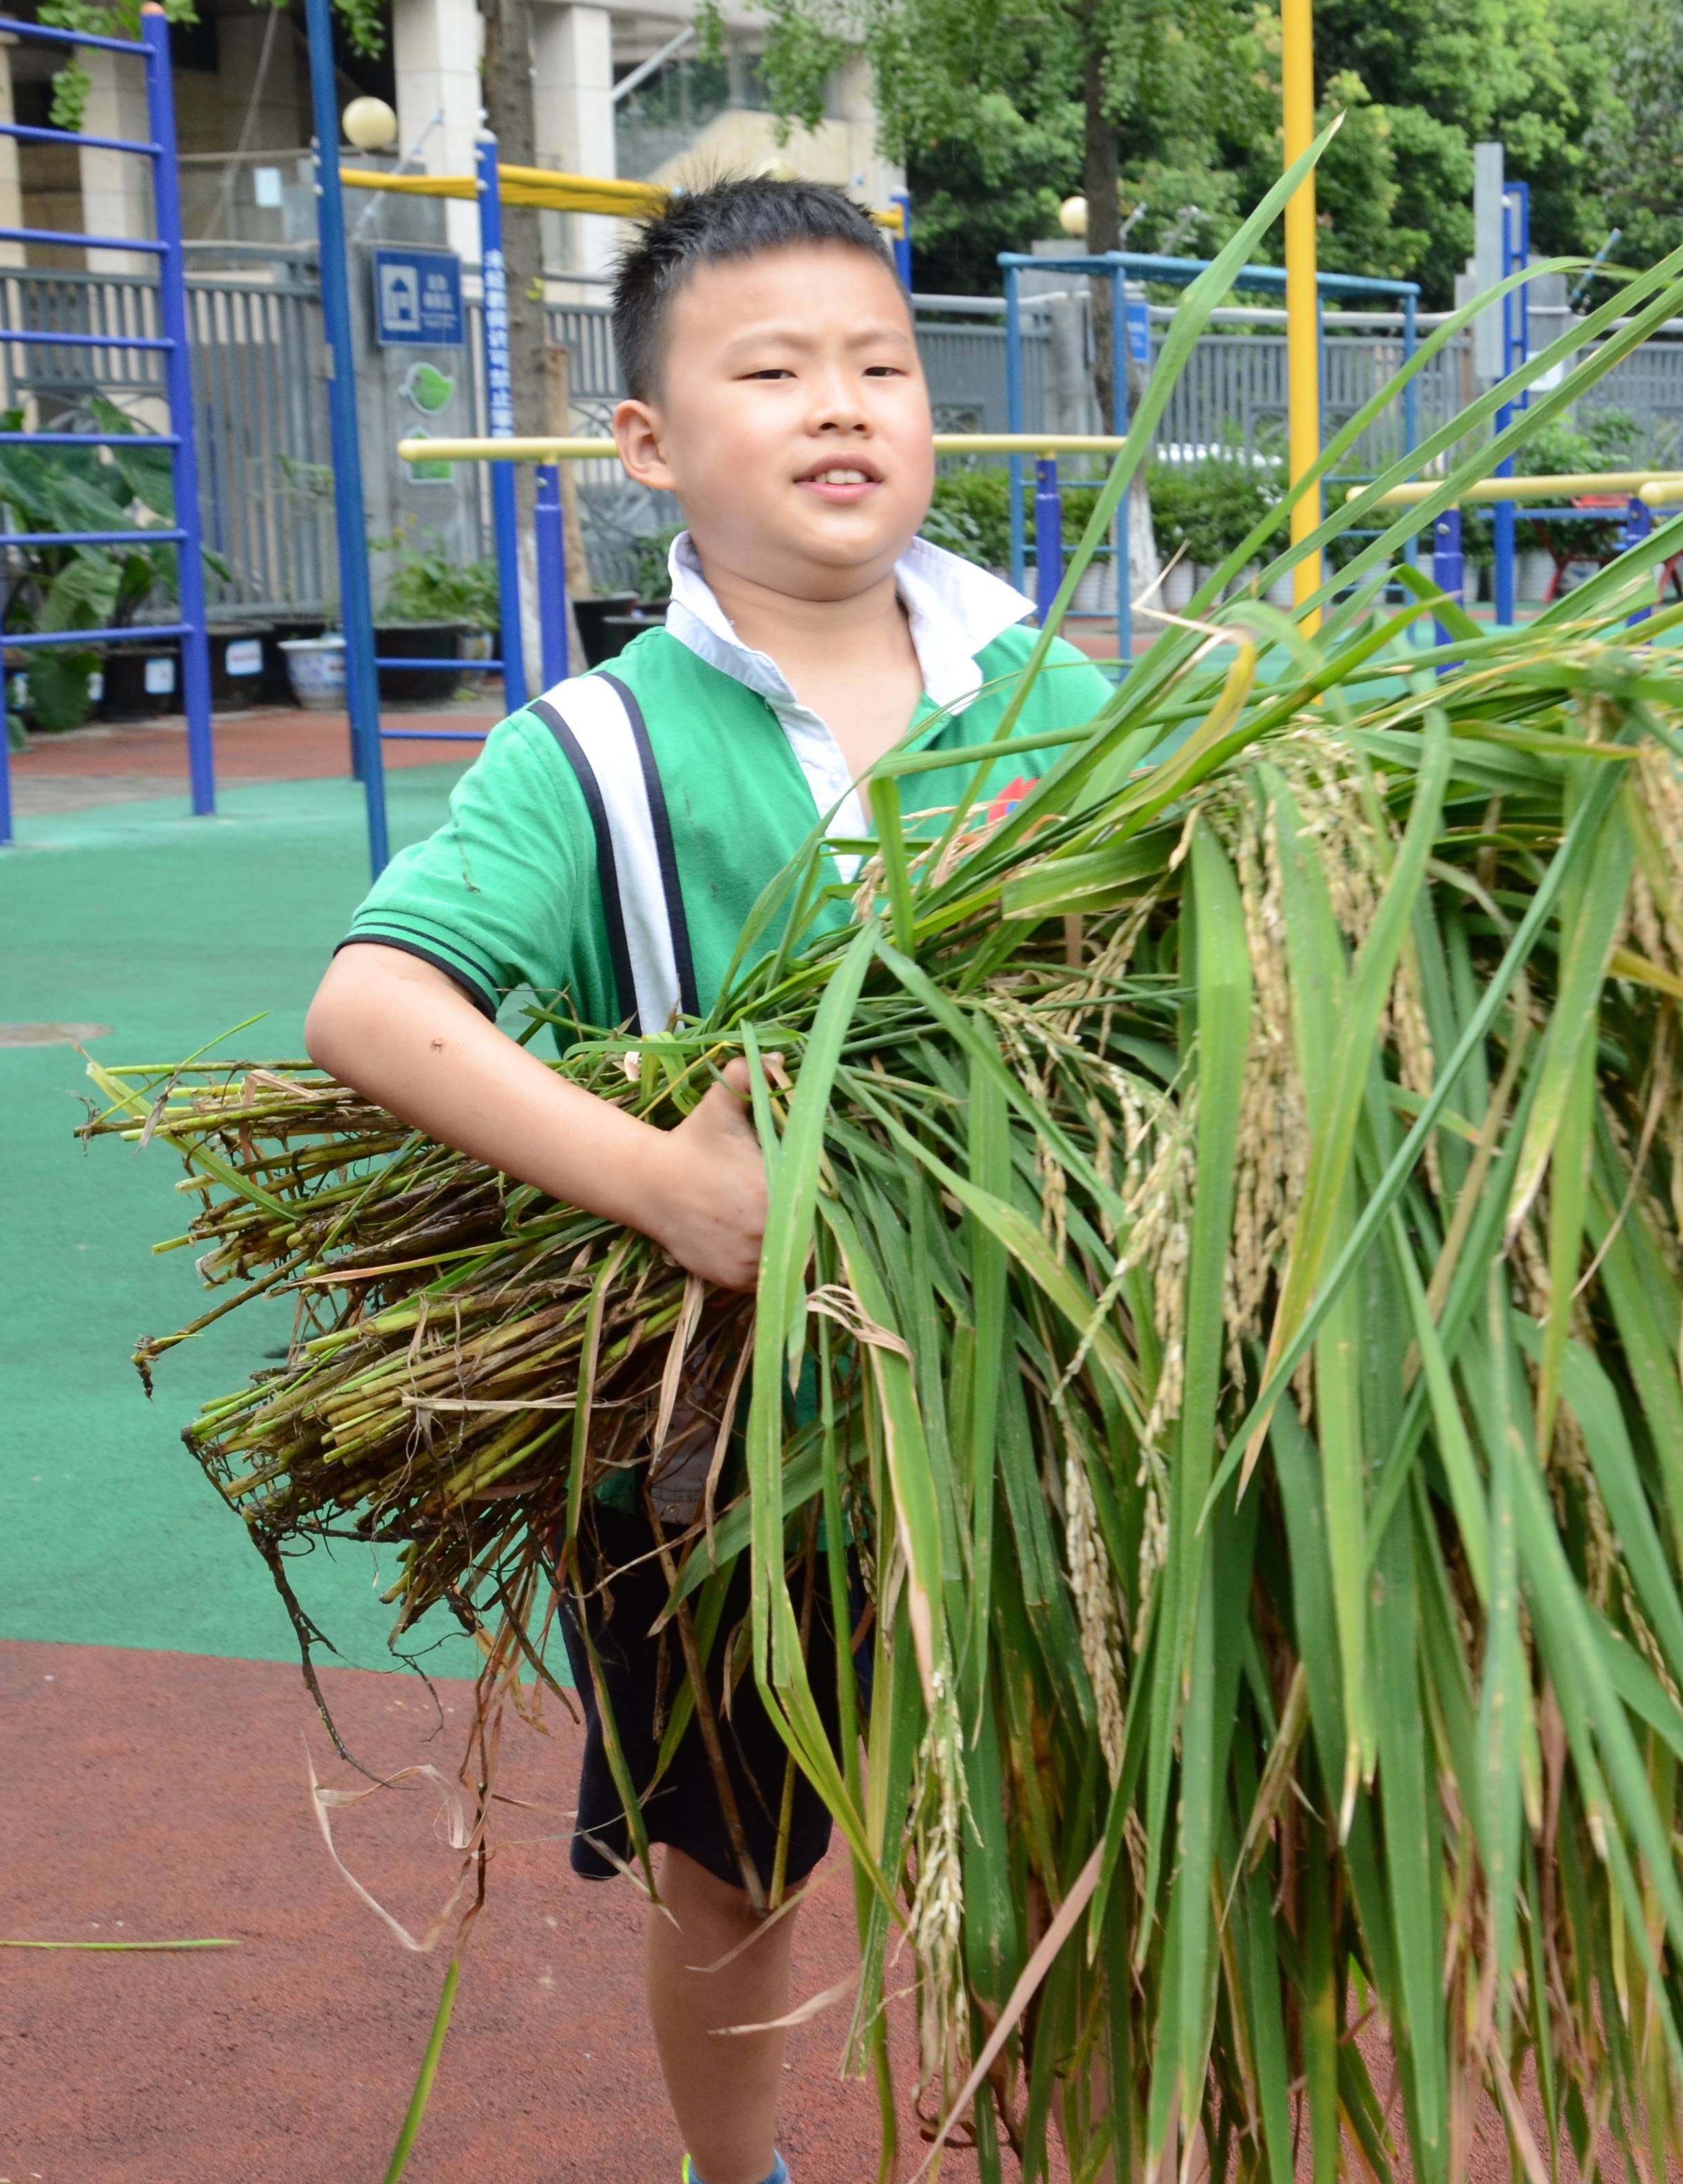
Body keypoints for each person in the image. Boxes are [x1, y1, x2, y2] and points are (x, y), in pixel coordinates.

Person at [303, 178, 1114, 2184]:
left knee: (1056, 1832)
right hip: (720, 1452)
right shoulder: (589, 752)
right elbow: (372, 1004)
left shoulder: (1070, 707)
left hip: (1040, 1411)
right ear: (649, 446)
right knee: (733, 1876)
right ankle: (736, 2170)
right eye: (773, 370)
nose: (843, 403)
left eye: (881, 365)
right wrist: (666, 1187)